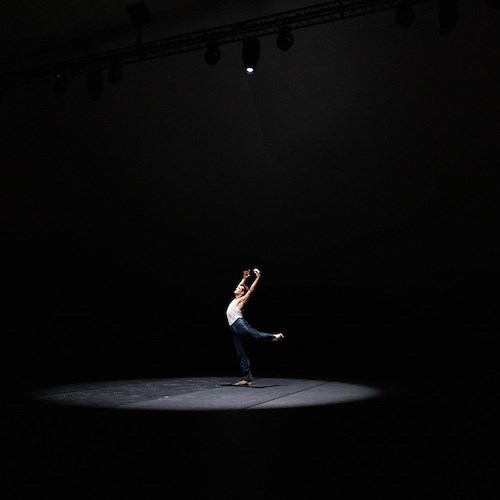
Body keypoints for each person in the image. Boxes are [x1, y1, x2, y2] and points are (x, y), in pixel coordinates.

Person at [226, 268, 284, 386]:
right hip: (234, 328)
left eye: (239, 288)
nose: (237, 287)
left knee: (256, 335)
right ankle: (247, 379)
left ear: (242, 293)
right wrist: (245, 278)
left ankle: (275, 336)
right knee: (241, 353)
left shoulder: (241, 300)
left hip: (239, 324)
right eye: (238, 287)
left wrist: (258, 277)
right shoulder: (236, 298)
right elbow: (242, 285)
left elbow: (251, 289)